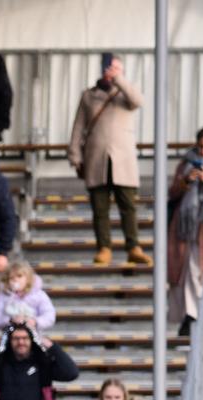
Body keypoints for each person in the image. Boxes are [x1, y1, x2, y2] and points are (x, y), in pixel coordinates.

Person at [68, 54, 151, 267]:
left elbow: (138, 101)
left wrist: (119, 80)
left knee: (128, 205)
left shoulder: (125, 93)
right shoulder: (89, 95)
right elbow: (78, 127)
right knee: (100, 207)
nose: (112, 71)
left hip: (123, 159)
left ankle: (133, 246)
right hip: (97, 158)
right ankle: (103, 247)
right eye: (110, 67)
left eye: (117, 68)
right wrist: (75, 155)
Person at [167, 124, 203, 333]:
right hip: (184, 226)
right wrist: (187, 181)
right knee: (182, 272)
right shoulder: (187, 163)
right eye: (201, 147)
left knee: (197, 270)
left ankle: (193, 317)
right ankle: (189, 316)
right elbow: (173, 192)